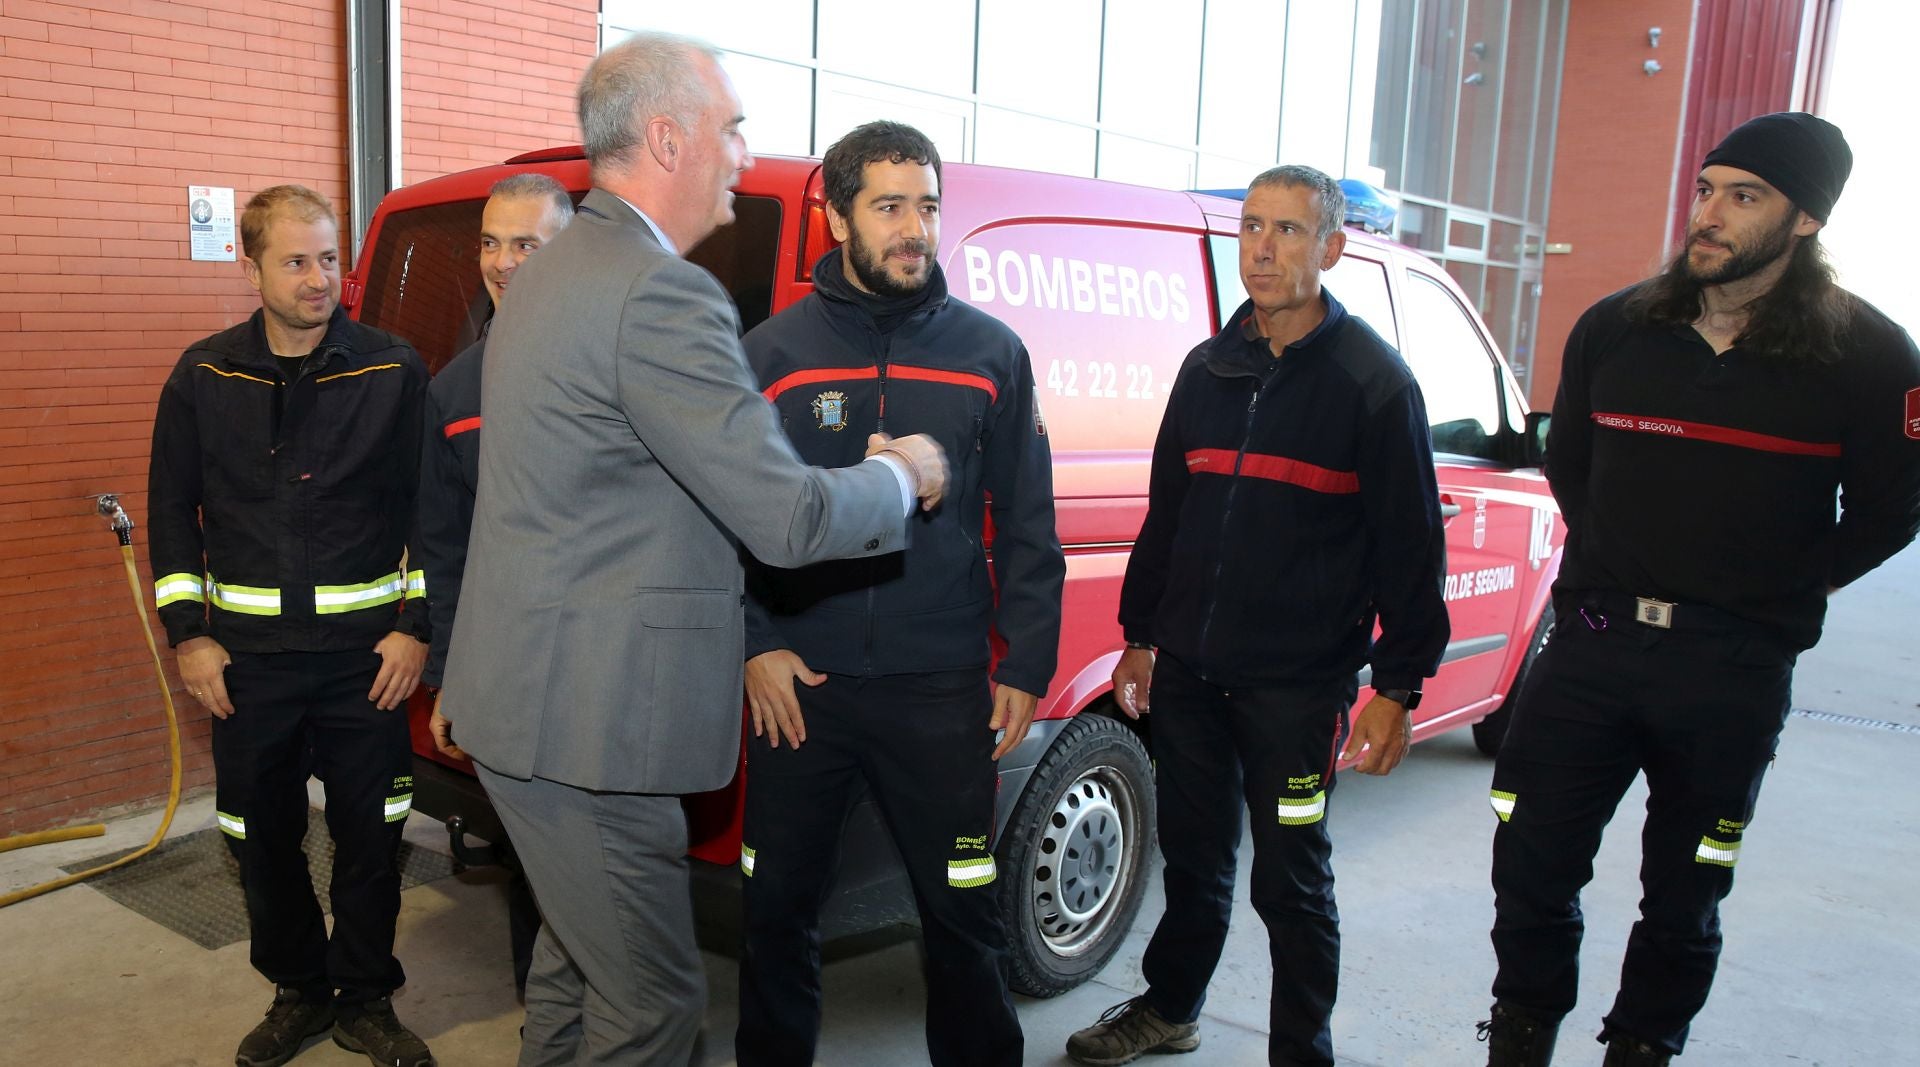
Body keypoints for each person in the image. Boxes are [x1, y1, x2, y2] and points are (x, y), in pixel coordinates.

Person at [435, 33, 950, 1066]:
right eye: (730, 128)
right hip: (592, 733)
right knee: (656, 1009)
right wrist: (905, 474)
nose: (743, 154)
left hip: (531, 707)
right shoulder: (659, 293)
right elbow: (789, 518)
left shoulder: (551, 270)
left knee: (576, 981)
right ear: (667, 137)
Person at [1478, 113, 1920, 1067]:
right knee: (1529, 864)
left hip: (1732, 669)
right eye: (1707, 189)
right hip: (1591, 651)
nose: (1710, 215)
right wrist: (1620, 560)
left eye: (1744, 197)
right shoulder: (1617, 328)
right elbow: (1575, 473)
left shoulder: (1873, 360)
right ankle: (1519, 1039)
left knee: (1686, 893)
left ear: (1804, 220)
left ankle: (1642, 1047)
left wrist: (1780, 586)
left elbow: (1893, 510)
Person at [1065, 165, 1449, 1067]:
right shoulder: (1207, 369)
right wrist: (1141, 633)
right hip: (1192, 672)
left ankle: (1300, 1050)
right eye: (1251, 229)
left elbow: (1410, 546)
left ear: (1332, 248)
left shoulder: (1374, 384)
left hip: (1298, 685)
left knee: (1292, 882)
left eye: (1286, 230)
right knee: (1194, 861)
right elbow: (1170, 514)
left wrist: (1398, 683)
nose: (1264, 248)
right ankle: (1170, 1009)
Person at [733, 120, 1064, 1067]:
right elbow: (729, 518)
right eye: (888, 206)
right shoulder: (771, 355)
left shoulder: (991, 353)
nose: (913, 227)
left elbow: (1032, 523)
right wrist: (755, 641)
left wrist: (1025, 665)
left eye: (925, 205)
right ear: (837, 216)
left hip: (938, 689)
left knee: (963, 915)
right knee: (775, 912)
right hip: (802, 689)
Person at [147, 185, 437, 1067]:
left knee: (372, 836)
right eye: (297, 261)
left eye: (330, 259)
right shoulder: (204, 375)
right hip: (247, 666)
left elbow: (432, 508)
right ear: (252, 265)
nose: (322, 280)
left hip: (365, 662)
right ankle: (297, 991)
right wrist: (190, 636)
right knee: (258, 835)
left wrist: (416, 625)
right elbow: (169, 512)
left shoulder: (393, 368)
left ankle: (365, 998)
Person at [416, 172, 575, 994]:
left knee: (618, 888)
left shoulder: (625, 366)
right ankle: (547, 1028)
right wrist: (449, 677)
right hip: (512, 684)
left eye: (526, 243)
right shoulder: (453, 392)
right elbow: (445, 554)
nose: (502, 262)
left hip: (606, 679)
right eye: (489, 242)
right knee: (532, 870)